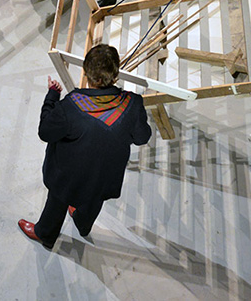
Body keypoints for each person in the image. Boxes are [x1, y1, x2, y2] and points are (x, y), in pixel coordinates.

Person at [18, 44, 152, 248]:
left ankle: (45, 233)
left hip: (69, 175)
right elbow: (142, 137)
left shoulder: (71, 106)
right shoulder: (132, 104)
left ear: (87, 73)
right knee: (93, 200)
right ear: (115, 74)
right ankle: (82, 224)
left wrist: (52, 96)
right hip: (104, 176)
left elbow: (45, 132)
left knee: (57, 201)